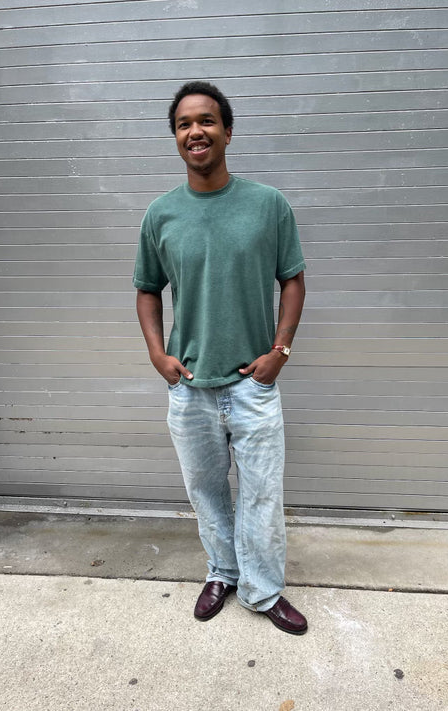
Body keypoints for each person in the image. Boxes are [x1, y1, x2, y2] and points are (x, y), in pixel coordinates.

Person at [133, 81, 307, 635]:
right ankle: (222, 573)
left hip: (252, 385)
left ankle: (263, 589)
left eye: (206, 121)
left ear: (228, 132)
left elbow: (293, 279)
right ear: (176, 138)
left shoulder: (268, 205)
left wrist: (280, 351)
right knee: (206, 493)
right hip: (189, 386)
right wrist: (157, 354)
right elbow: (146, 289)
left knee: (262, 495)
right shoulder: (161, 214)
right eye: (184, 124)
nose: (195, 131)